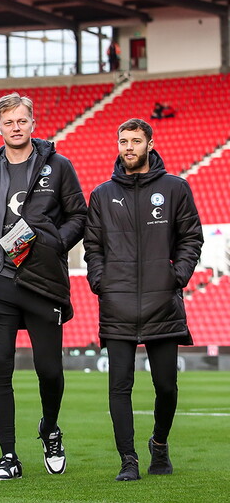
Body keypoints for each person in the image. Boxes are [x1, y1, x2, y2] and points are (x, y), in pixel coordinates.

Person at [0, 92, 87, 480]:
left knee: (49, 369)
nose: (15, 128)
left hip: (41, 282)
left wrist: (53, 246)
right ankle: (9, 456)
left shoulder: (58, 166)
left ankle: (49, 429)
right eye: (8, 123)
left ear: (33, 124)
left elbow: (78, 215)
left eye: (21, 121)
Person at [83, 118, 203, 482]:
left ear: (151, 144)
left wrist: (175, 276)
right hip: (116, 303)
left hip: (161, 302)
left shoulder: (175, 189)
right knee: (119, 386)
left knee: (166, 385)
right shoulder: (102, 194)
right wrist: (100, 281)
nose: (129, 147)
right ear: (118, 145)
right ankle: (128, 460)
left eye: (136, 140)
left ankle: (160, 445)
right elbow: (93, 247)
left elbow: (191, 239)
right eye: (123, 141)